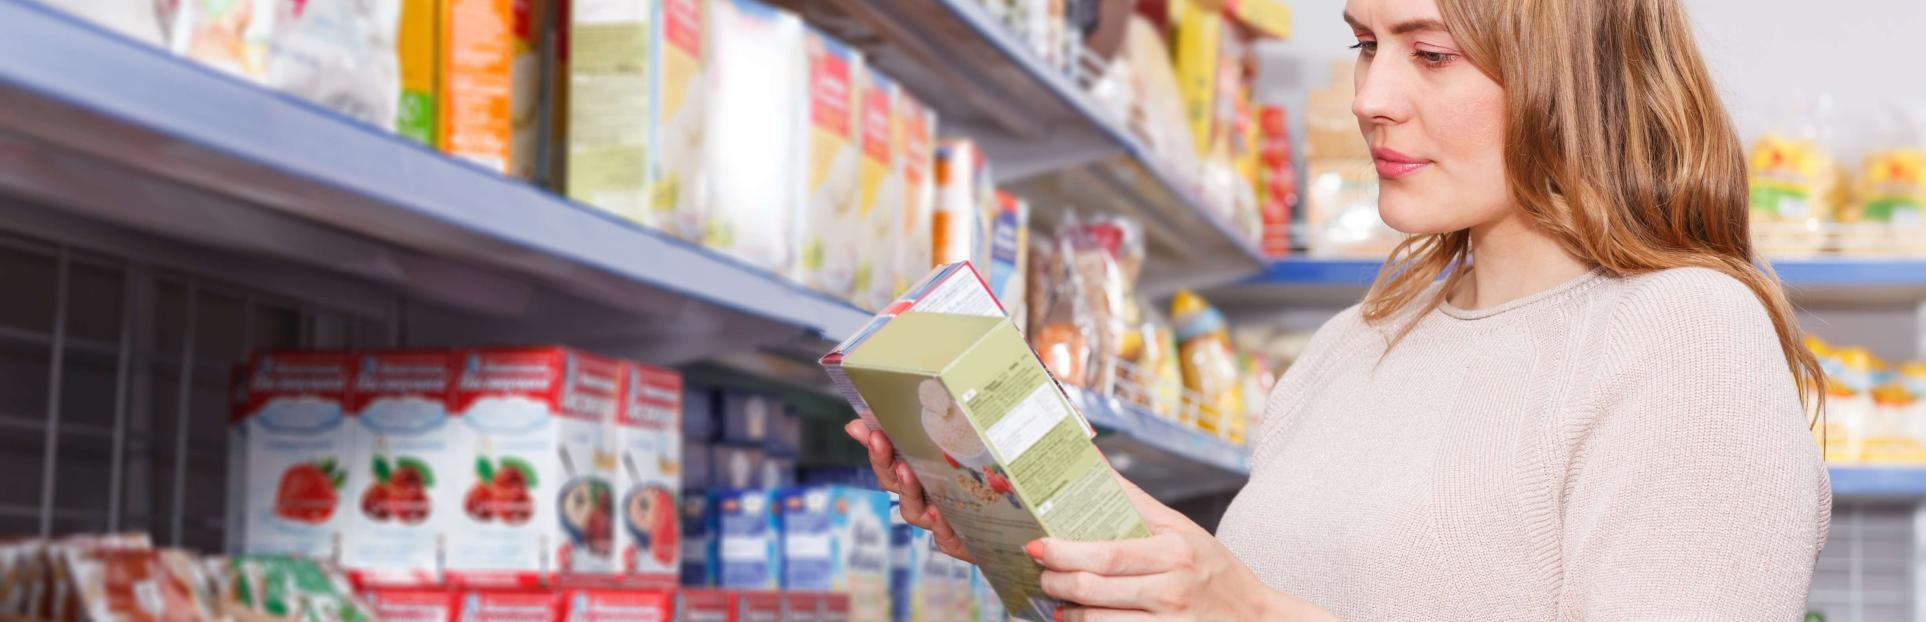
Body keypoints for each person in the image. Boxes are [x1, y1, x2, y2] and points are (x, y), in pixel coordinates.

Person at [844, 0, 1832, 618]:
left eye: (1430, 52)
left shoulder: (1686, 336)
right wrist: (1054, 546)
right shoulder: (1349, 347)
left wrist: (1253, 614)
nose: (1369, 96)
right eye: (1365, 44)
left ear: (1578, 75)